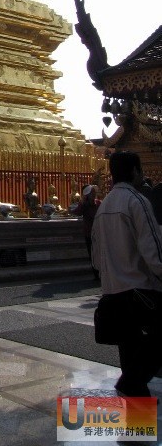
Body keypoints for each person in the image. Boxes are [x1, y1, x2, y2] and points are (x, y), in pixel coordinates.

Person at [91, 151, 162, 398]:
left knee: (129, 349)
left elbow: (96, 257)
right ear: (134, 171)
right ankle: (130, 383)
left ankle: (136, 421)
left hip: (113, 291)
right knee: (149, 347)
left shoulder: (105, 206)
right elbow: (153, 251)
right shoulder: (137, 201)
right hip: (138, 289)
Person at [74, 184, 100, 280]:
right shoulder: (84, 204)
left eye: (94, 192)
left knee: (98, 253)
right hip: (89, 232)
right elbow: (78, 212)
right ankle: (96, 273)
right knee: (92, 253)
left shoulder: (99, 203)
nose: (94, 194)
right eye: (92, 192)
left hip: (98, 231)